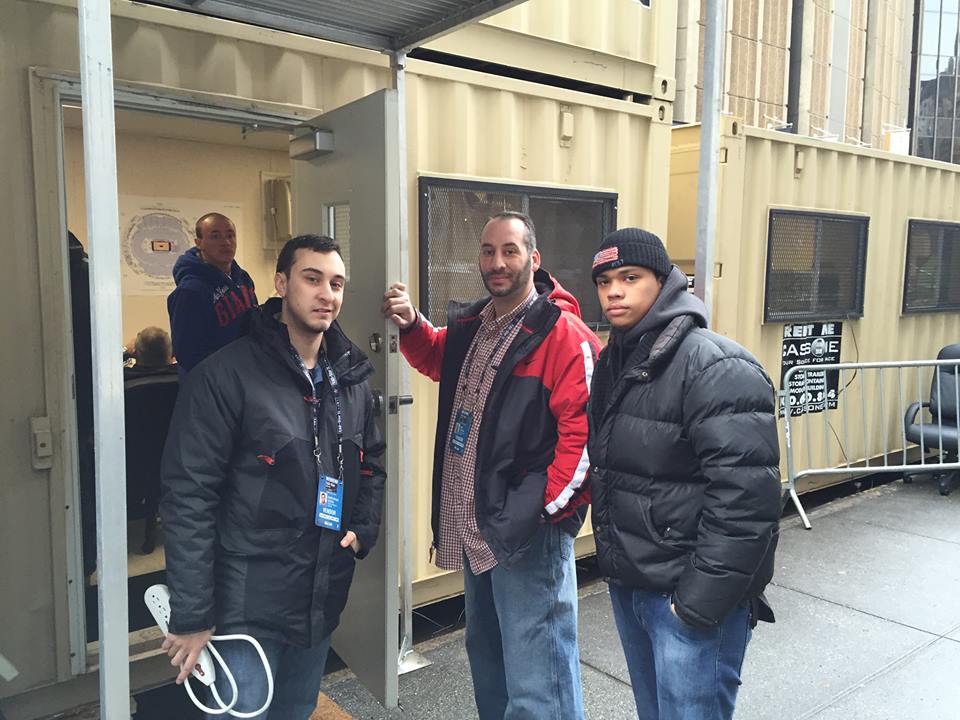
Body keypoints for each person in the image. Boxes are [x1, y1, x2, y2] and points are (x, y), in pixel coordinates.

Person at [383, 211, 600, 720]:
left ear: (534, 258)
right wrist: (412, 324)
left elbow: (585, 441)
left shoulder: (563, 336)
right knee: (488, 655)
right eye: (488, 251)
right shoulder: (475, 326)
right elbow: (436, 357)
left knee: (538, 673)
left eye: (509, 251)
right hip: (477, 525)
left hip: (524, 532)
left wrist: (536, 513)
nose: (497, 262)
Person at [160, 234, 386, 719]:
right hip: (245, 606)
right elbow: (188, 497)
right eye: (312, 279)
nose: (326, 294)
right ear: (281, 283)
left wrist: (364, 528)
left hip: (319, 598)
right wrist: (193, 614)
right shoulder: (225, 376)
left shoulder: (350, 379)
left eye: (336, 283)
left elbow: (371, 462)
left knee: (295, 711)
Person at [586, 228, 782, 720]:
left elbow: (747, 502)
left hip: (688, 600)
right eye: (604, 281)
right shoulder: (615, 361)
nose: (614, 291)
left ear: (664, 280)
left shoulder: (715, 365)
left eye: (630, 277)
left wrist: (695, 605)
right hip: (633, 584)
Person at [167, 212, 258, 375]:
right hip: (212, 381)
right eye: (215, 237)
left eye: (230, 235)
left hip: (245, 374)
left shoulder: (243, 279)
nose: (226, 242)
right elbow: (188, 354)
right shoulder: (190, 291)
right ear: (199, 243)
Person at [123, 327, 179, 554]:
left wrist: (126, 353)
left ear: (137, 353)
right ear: (171, 355)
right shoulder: (183, 380)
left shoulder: (123, 384)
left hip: (136, 461)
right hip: (178, 459)